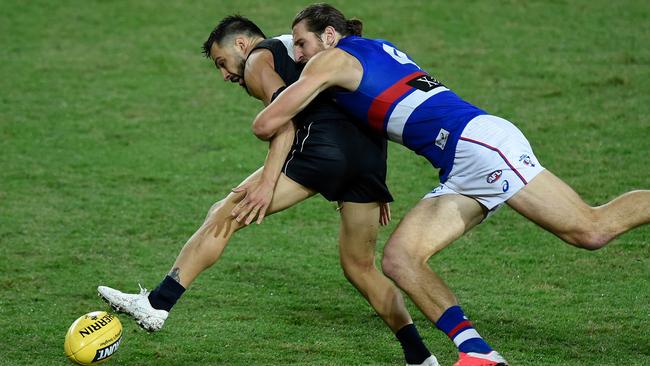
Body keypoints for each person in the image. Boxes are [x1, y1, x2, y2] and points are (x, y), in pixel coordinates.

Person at [245, 4, 650, 366]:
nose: (298, 55)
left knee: (591, 230)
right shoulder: (371, 51)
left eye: (301, 43)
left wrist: (269, 82)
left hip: (479, 145)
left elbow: (267, 123)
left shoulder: (331, 59)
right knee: (400, 258)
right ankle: (478, 353)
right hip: (461, 159)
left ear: (329, 36)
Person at [98, 15, 439, 366]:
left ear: (242, 44)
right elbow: (363, 106)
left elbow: (284, 124)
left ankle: (157, 304)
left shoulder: (259, 58)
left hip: (320, 150)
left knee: (225, 212)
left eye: (222, 63)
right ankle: (420, 356)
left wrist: (266, 183)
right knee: (360, 266)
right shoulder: (316, 50)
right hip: (367, 159)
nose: (225, 75)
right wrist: (375, 181)